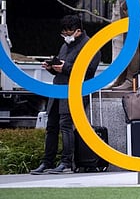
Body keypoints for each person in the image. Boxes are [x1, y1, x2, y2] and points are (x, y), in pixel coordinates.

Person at [30, 15, 101, 174]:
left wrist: (66, 67)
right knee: (51, 126)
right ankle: (47, 162)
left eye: (68, 33)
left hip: (74, 92)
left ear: (78, 31)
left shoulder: (90, 45)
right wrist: (50, 67)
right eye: (63, 34)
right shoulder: (65, 46)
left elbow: (89, 71)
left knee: (66, 126)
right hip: (58, 90)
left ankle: (66, 163)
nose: (65, 37)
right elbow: (62, 66)